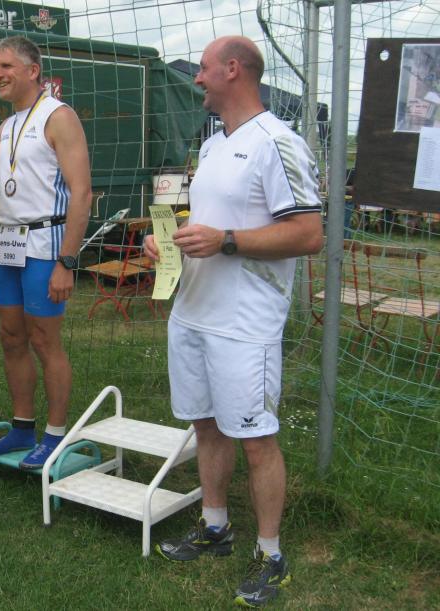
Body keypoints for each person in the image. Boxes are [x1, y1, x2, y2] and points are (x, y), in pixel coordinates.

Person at [144, 36, 323, 608]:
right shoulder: (215, 142)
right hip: (193, 312)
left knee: (257, 439)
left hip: (245, 324)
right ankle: (215, 526)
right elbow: (210, 222)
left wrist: (225, 240)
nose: (196, 79)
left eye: (202, 69)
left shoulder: (278, 142)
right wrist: (168, 243)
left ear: (232, 70)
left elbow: (308, 234)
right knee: (207, 427)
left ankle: (271, 555)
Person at [0, 36, 91, 470]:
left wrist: (67, 261)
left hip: (45, 245)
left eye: (6, 66)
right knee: (11, 337)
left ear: (33, 71)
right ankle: (21, 427)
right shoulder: (9, 125)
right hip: (8, 244)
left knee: (44, 341)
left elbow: (82, 193)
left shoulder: (59, 116)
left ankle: (55, 434)